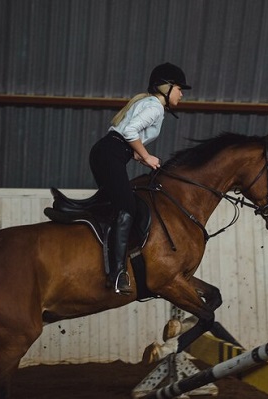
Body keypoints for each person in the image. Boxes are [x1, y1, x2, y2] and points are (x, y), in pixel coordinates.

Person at [89, 62, 192, 295]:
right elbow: (128, 132)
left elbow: (125, 135)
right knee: (127, 207)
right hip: (110, 154)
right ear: (166, 88)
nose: (182, 94)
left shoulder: (149, 104)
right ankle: (116, 274)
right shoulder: (154, 106)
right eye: (179, 88)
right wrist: (146, 155)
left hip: (107, 152)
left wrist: (139, 155)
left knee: (119, 205)